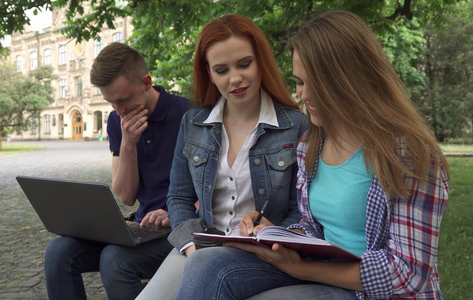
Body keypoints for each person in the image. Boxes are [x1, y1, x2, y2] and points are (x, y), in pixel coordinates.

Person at [176, 10, 450, 300]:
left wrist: (304, 269)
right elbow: (312, 226)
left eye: (316, 84)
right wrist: (275, 233)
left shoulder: (408, 155)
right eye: (300, 82)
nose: (304, 96)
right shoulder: (312, 143)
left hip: (372, 291)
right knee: (205, 264)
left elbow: (407, 274)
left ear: (353, 79)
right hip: (318, 271)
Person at [136, 14, 308, 300]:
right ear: (209, 73)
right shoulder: (193, 123)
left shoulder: (295, 125)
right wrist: (191, 248)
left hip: (265, 254)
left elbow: (301, 212)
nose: (235, 79)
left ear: (261, 61)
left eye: (244, 64)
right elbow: (178, 197)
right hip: (200, 245)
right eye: (222, 70)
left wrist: (273, 232)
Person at [43, 42, 191, 300]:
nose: (118, 110)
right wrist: (128, 143)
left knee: (115, 260)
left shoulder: (189, 114)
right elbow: (125, 196)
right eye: (110, 102)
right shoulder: (116, 122)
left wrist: (174, 212)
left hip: (179, 225)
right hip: (142, 226)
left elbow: (216, 189)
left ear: (147, 82)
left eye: (123, 100)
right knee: (58, 254)